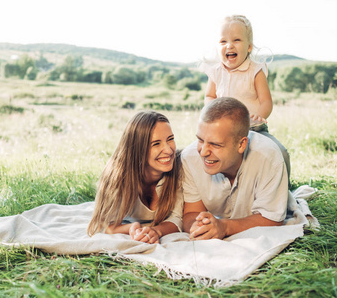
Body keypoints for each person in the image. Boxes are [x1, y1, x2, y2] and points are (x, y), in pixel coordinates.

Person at [182, 97, 288, 240]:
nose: (203, 151)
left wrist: (224, 227)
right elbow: (191, 213)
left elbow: (272, 218)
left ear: (241, 145)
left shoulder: (269, 158)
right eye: (200, 140)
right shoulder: (189, 158)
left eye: (215, 144)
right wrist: (199, 227)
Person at [203, 15, 291, 182]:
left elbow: (266, 101)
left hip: (253, 129)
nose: (229, 45)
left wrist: (260, 114)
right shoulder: (215, 72)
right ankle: (218, 187)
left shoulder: (255, 71)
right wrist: (211, 108)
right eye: (223, 41)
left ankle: (283, 187)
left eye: (236, 40)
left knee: (281, 152)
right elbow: (209, 96)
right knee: (207, 154)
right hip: (224, 131)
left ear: (249, 47)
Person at [88, 111, 183, 244]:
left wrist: (157, 231)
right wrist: (131, 227)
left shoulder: (179, 168)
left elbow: (177, 218)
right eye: (156, 144)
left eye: (170, 139)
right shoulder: (117, 176)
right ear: (138, 149)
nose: (168, 150)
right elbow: (102, 224)